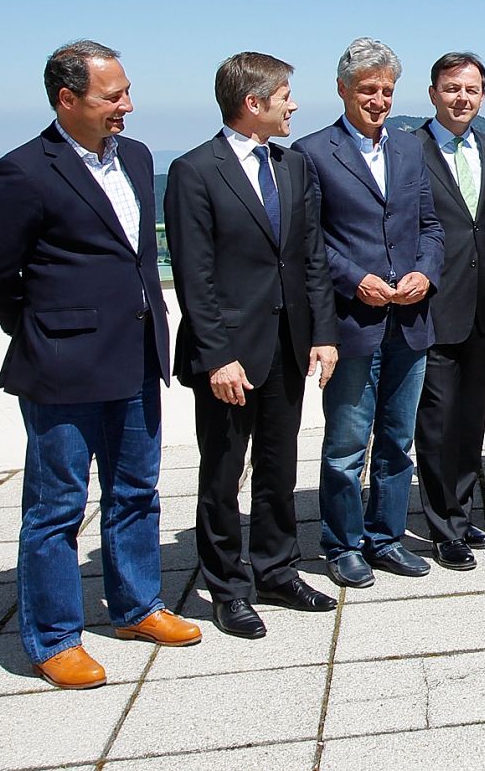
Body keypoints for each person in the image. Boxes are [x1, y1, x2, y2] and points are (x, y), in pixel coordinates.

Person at [0, 40, 201, 688]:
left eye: (126, 91)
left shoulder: (137, 156)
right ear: (67, 99)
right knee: (57, 508)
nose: (127, 105)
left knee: (136, 491)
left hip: (137, 356)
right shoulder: (22, 171)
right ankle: (53, 639)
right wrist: (47, 331)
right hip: (63, 368)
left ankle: (136, 607)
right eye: (113, 95)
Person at [166, 52, 340, 640]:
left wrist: (323, 333)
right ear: (253, 102)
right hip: (229, 356)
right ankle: (228, 589)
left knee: (278, 466)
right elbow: (195, 277)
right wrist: (217, 356)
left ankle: (276, 570)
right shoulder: (195, 171)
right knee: (222, 474)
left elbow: (311, 257)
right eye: (286, 96)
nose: (294, 106)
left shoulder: (293, 166)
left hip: (288, 345)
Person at [293, 38, 444, 588]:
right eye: (367, 90)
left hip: (411, 320)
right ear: (342, 89)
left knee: (398, 441)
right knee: (346, 445)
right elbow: (309, 240)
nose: (379, 101)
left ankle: (386, 537)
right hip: (352, 323)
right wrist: (355, 280)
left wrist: (425, 272)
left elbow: (430, 227)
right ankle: (342, 544)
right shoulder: (312, 152)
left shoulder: (409, 148)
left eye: (386, 90)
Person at [413, 52, 485, 571]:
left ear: (483, 96)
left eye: (471, 89)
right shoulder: (410, 150)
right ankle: (443, 524)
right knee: (437, 420)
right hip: (434, 304)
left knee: (470, 417)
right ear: (433, 93)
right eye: (451, 88)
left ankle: (462, 510)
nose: (461, 98)